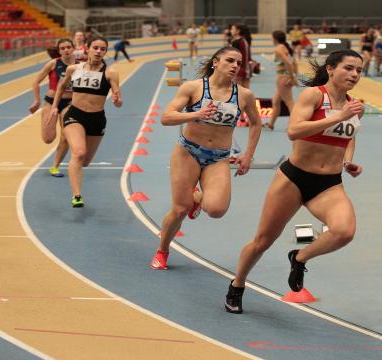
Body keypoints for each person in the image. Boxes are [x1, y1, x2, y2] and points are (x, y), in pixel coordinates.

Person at [225, 50, 365, 314]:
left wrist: (348, 161)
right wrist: (337, 116)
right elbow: (293, 130)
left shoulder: (354, 105)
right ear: (331, 69)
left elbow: (350, 135)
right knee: (262, 241)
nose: (355, 74)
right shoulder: (314, 95)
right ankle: (237, 284)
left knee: (344, 232)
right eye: (349, 68)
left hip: (329, 184)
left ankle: (299, 258)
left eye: (359, 70)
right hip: (294, 178)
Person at [149, 46, 262, 270]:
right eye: (230, 61)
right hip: (188, 152)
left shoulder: (244, 95)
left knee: (217, 210)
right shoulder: (193, 88)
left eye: (238, 63)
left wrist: (248, 155)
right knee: (180, 209)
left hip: (218, 158)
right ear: (215, 62)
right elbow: (166, 117)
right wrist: (196, 114)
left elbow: (256, 123)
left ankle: (198, 199)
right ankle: (163, 250)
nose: (235, 66)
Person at [49, 36, 123, 207]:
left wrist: (117, 100)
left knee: (86, 161)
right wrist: (54, 106)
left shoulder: (110, 72)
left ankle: (74, 162)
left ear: (105, 52)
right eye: (95, 48)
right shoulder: (73, 69)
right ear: (87, 49)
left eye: (102, 49)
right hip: (74, 114)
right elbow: (61, 86)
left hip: (97, 119)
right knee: (79, 153)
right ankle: (77, 196)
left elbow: (119, 102)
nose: (99, 51)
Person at [29, 38, 76, 178]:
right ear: (59, 51)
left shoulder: (80, 65)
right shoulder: (53, 64)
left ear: (73, 48)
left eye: (68, 47)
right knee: (48, 138)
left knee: (66, 135)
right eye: (63, 48)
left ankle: (55, 166)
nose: (66, 50)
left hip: (70, 103)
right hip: (51, 102)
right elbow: (36, 82)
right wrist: (36, 101)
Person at [263, 31, 298, 131]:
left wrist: (292, 78)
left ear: (275, 39)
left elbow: (288, 63)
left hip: (282, 78)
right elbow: (294, 63)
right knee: (276, 101)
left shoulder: (278, 49)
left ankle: (294, 125)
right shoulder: (286, 47)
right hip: (285, 76)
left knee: (290, 102)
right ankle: (271, 124)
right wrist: (293, 75)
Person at [230, 24, 252, 88]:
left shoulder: (237, 42)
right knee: (245, 92)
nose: (230, 31)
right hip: (245, 69)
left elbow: (233, 56)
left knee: (237, 92)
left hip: (239, 70)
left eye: (232, 29)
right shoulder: (244, 41)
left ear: (238, 31)